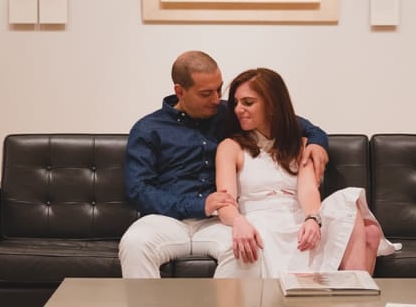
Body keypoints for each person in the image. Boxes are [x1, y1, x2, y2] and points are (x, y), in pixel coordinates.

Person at [119, 51, 330, 278]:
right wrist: (199, 205)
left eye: (218, 89)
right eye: (206, 93)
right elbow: (138, 190)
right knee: (135, 243)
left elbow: (297, 125)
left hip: (218, 221)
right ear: (180, 91)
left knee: (248, 246)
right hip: (167, 220)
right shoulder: (148, 129)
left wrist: (318, 144)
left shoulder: (228, 113)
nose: (216, 99)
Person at [213, 67, 396, 278]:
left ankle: (352, 288)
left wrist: (312, 219)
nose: (237, 109)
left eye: (248, 102)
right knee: (369, 235)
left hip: (298, 217)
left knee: (348, 200)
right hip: (260, 222)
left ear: (271, 104)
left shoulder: (302, 144)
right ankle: (353, 294)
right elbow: (225, 201)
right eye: (235, 102)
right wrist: (238, 221)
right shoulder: (230, 147)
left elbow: (308, 189)